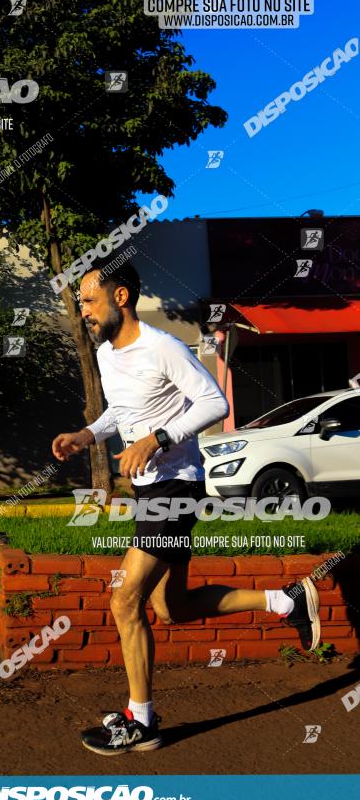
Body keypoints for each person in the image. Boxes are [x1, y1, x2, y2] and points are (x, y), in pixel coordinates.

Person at [51, 256, 321, 756]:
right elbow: (124, 410)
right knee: (170, 607)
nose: (83, 310)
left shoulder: (163, 348)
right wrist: (88, 433)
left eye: (89, 300)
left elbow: (215, 402)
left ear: (120, 297)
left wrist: (156, 440)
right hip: (150, 490)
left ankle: (141, 720)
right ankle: (285, 601)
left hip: (176, 488)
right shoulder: (110, 353)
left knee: (125, 600)